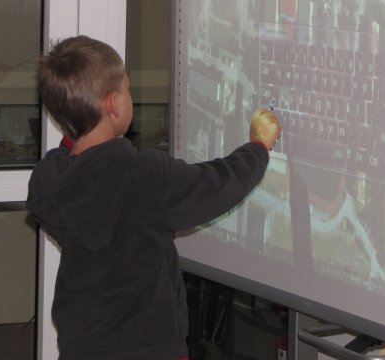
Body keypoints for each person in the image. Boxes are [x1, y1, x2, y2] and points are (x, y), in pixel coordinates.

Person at [27, 35, 281, 360]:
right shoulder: (145, 174)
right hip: (152, 347)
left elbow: (75, 163)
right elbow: (216, 185)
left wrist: (75, 128)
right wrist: (258, 148)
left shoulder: (50, 179)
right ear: (114, 104)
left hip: (82, 348)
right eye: (127, 90)